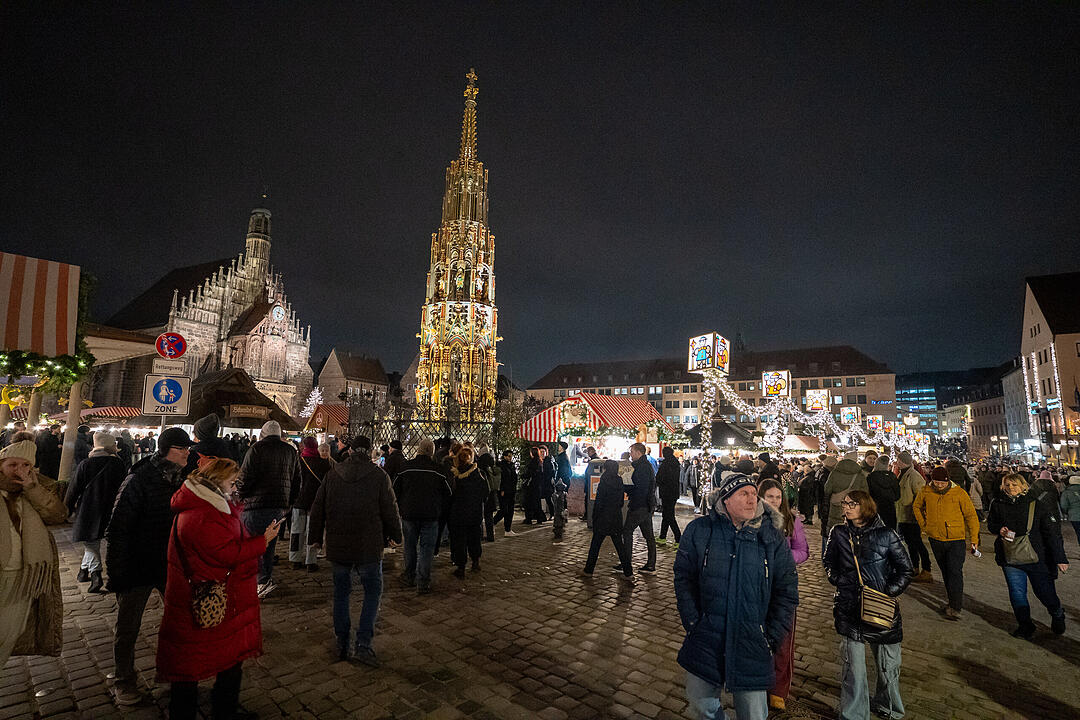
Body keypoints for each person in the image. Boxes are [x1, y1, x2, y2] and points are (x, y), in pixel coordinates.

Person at [157, 458, 281, 720]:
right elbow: (225, 554)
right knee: (190, 665)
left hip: (221, 595)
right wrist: (263, 541)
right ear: (216, 481)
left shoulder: (211, 506)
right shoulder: (202, 514)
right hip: (208, 597)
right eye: (231, 481)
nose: (235, 486)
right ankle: (198, 712)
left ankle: (222, 708)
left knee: (224, 658)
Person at [674, 473, 798, 720]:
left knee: (753, 714)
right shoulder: (700, 530)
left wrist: (770, 636)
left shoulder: (771, 536)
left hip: (752, 641)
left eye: (754, 494)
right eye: (744, 494)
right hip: (707, 637)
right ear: (726, 500)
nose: (753, 499)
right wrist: (692, 622)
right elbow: (684, 577)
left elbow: (787, 591)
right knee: (701, 705)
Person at [106, 426, 193, 706]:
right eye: (184, 449)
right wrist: (117, 572)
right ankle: (123, 681)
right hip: (137, 563)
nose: (188, 454)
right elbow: (118, 527)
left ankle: (176, 675)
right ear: (169, 450)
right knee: (128, 627)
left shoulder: (183, 479)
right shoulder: (139, 478)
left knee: (181, 621)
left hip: (169, 564)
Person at [308, 435, 401, 666]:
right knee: (372, 592)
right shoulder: (379, 476)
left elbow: (317, 507)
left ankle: (342, 642)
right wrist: (396, 536)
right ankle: (363, 644)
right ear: (369, 452)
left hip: (339, 544)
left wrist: (316, 537)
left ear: (350, 451)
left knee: (341, 592)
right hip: (369, 544)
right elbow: (390, 509)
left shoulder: (333, 474)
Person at [824, 490, 913, 720]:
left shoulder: (886, 534)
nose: (847, 507)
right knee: (853, 668)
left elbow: (905, 569)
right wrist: (839, 579)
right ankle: (854, 714)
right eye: (845, 503)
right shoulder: (839, 533)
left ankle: (889, 706)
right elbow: (829, 561)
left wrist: (888, 592)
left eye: (852, 503)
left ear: (865, 506)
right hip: (849, 607)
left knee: (887, 665)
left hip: (881, 607)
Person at [0, 440, 66, 668]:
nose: (20, 470)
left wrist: (32, 489)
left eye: (26, 465)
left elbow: (57, 515)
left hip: (23, 575)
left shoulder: (37, 489)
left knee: (10, 630)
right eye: (13, 464)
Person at [988, 472, 1068, 638]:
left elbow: (1051, 533)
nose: (1011, 488)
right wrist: (999, 529)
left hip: (1037, 557)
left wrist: (1060, 558)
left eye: (1014, 484)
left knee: (1044, 592)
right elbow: (992, 524)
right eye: (1007, 485)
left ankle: (1057, 612)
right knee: (1017, 593)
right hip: (1010, 555)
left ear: (1023, 485)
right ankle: (1025, 625)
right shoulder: (997, 503)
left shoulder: (1036, 503)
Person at [758, 479, 808, 713]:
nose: (775, 501)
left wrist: (784, 557)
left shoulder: (792, 521)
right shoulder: (754, 520)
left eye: (778, 497)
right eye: (770, 497)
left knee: (784, 638)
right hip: (757, 583)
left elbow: (803, 551)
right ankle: (758, 680)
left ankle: (779, 688)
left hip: (783, 584)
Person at [236, 420, 301, 599]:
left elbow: (244, 477)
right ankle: (263, 581)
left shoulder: (256, 449)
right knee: (268, 546)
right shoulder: (290, 451)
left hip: (254, 506)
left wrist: (241, 496)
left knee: (251, 544)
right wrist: (289, 503)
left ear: (263, 434)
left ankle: (251, 582)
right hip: (277, 506)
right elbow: (297, 480)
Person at [913, 466, 980, 621]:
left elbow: (971, 516)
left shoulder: (958, 493)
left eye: (942, 483)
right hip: (936, 538)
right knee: (945, 571)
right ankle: (951, 601)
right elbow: (917, 507)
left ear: (947, 481)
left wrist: (974, 538)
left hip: (956, 539)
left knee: (954, 571)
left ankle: (956, 607)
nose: (939, 485)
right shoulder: (925, 491)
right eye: (936, 482)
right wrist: (924, 525)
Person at [65, 431, 126, 593]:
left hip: (89, 509)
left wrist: (67, 509)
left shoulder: (85, 464)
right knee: (93, 543)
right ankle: (84, 571)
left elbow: (74, 489)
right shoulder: (118, 464)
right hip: (112, 508)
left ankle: (96, 574)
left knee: (91, 543)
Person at [393, 438, 451, 593]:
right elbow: (448, 493)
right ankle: (423, 581)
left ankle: (409, 575)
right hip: (430, 514)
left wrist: (400, 506)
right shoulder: (438, 470)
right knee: (426, 548)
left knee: (410, 546)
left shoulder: (405, 468)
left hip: (409, 513)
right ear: (432, 452)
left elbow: (394, 489)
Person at [583, 460, 632, 578]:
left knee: (595, 545)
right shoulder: (619, 480)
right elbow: (621, 501)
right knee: (620, 546)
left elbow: (599, 501)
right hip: (615, 517)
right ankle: (628, 573)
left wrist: (594, 517)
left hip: (603, 517)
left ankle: (588, 570)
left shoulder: (604, 480)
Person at [292, 436, 331, 571]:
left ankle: (295, 558)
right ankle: (311, 561)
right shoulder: (323, 463)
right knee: (313, 531)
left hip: (299, 500)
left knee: (296, 531)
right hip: (315, 502)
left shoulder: (299, 461)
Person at [448, 445, 487, 577]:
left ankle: (461, 567)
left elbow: (450, 494)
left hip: (458, 513)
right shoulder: (478, 474)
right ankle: (475, 561)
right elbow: (485, 492)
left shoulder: (455, 475)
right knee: (474, 538)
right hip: (474, 513)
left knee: (460, 540)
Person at [895, 451, 931, 582]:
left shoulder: (914, 476)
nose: (897, 462)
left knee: (917, 543)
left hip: (911, 516)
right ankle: (915, 567)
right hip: (903, 515)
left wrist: (919, 514)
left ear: (903, 461)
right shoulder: (902, 474)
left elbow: (921, 496)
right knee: (911, 544)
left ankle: (926, 569)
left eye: (898, 460)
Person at [823, 455, 868, 553]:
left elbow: (827, 489)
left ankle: (833, 555)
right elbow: (865, 492)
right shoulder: (859, 475)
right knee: (851, 532)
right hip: (854, 507)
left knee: (834, 531)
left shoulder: (835, 473)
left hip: (836, 507)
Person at [624, 443, 657, 574]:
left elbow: (640, 488)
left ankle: (626, 563)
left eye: (632, 452)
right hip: (646, 505)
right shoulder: (644, 465)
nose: (630, 454)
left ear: (638, 452)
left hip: (640, 505)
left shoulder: (642, 467)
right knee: (649, 536)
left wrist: (628, 489)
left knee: (627, 532)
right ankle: (650, 564)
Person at [866, 454, 900, 530]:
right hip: (890, 509)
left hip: (875, 509)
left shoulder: (871, 477)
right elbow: (897, 495)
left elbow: (868, 494)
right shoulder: (892, 476)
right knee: (890, 533)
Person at [656, 446, 682, 545]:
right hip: (673, 492)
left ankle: (678, 537)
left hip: (666, 492)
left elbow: (660, 478)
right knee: (667, 514)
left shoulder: (665, 464)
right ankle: (662, 536)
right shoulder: (676, 463)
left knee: (669, 515)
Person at [476, 444, 499, 542]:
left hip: (482, 493)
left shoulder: (479, 464)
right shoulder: (492, 464)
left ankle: (480, 535)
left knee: (480, 516)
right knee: (489, 516)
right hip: (491, 493)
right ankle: (490, 536)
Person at [493, 449, 518, 535]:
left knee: (510, 510)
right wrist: (502, 489)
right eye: (508, 456)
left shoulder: (511, 465)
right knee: (504, 510)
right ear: (504, 456)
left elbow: (513, 477)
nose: (510, 458)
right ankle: (493, 522)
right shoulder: (501, 466)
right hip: (504, 490)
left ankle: (508, 529)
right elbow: (502, 479)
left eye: (511, 456)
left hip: (512, 490)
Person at [521, 447, 545, 524]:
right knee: (537, 502)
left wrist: (523, 476)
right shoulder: (540, 462)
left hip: (532, 485)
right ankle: (539, 518)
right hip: (537, 485)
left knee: (529, 502)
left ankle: (529, 519)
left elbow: (529, 473)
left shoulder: (533, 462)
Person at [1060, 473, 1080, 546]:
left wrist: (1066, 513)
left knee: (1079, 533)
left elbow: (1064, 505)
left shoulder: (1066, 492)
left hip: (1074, 516)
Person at [538, 445, 557, 520]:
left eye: (543, 452)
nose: (542, 453)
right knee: (539, 499)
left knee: (548, 499)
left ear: (546, 452)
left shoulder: (549, 461)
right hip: (540, 483)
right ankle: (541, 515)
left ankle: (552, 514)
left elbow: (551, 472)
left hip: (547, 484)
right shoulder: (538, 460)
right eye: (541, 452)